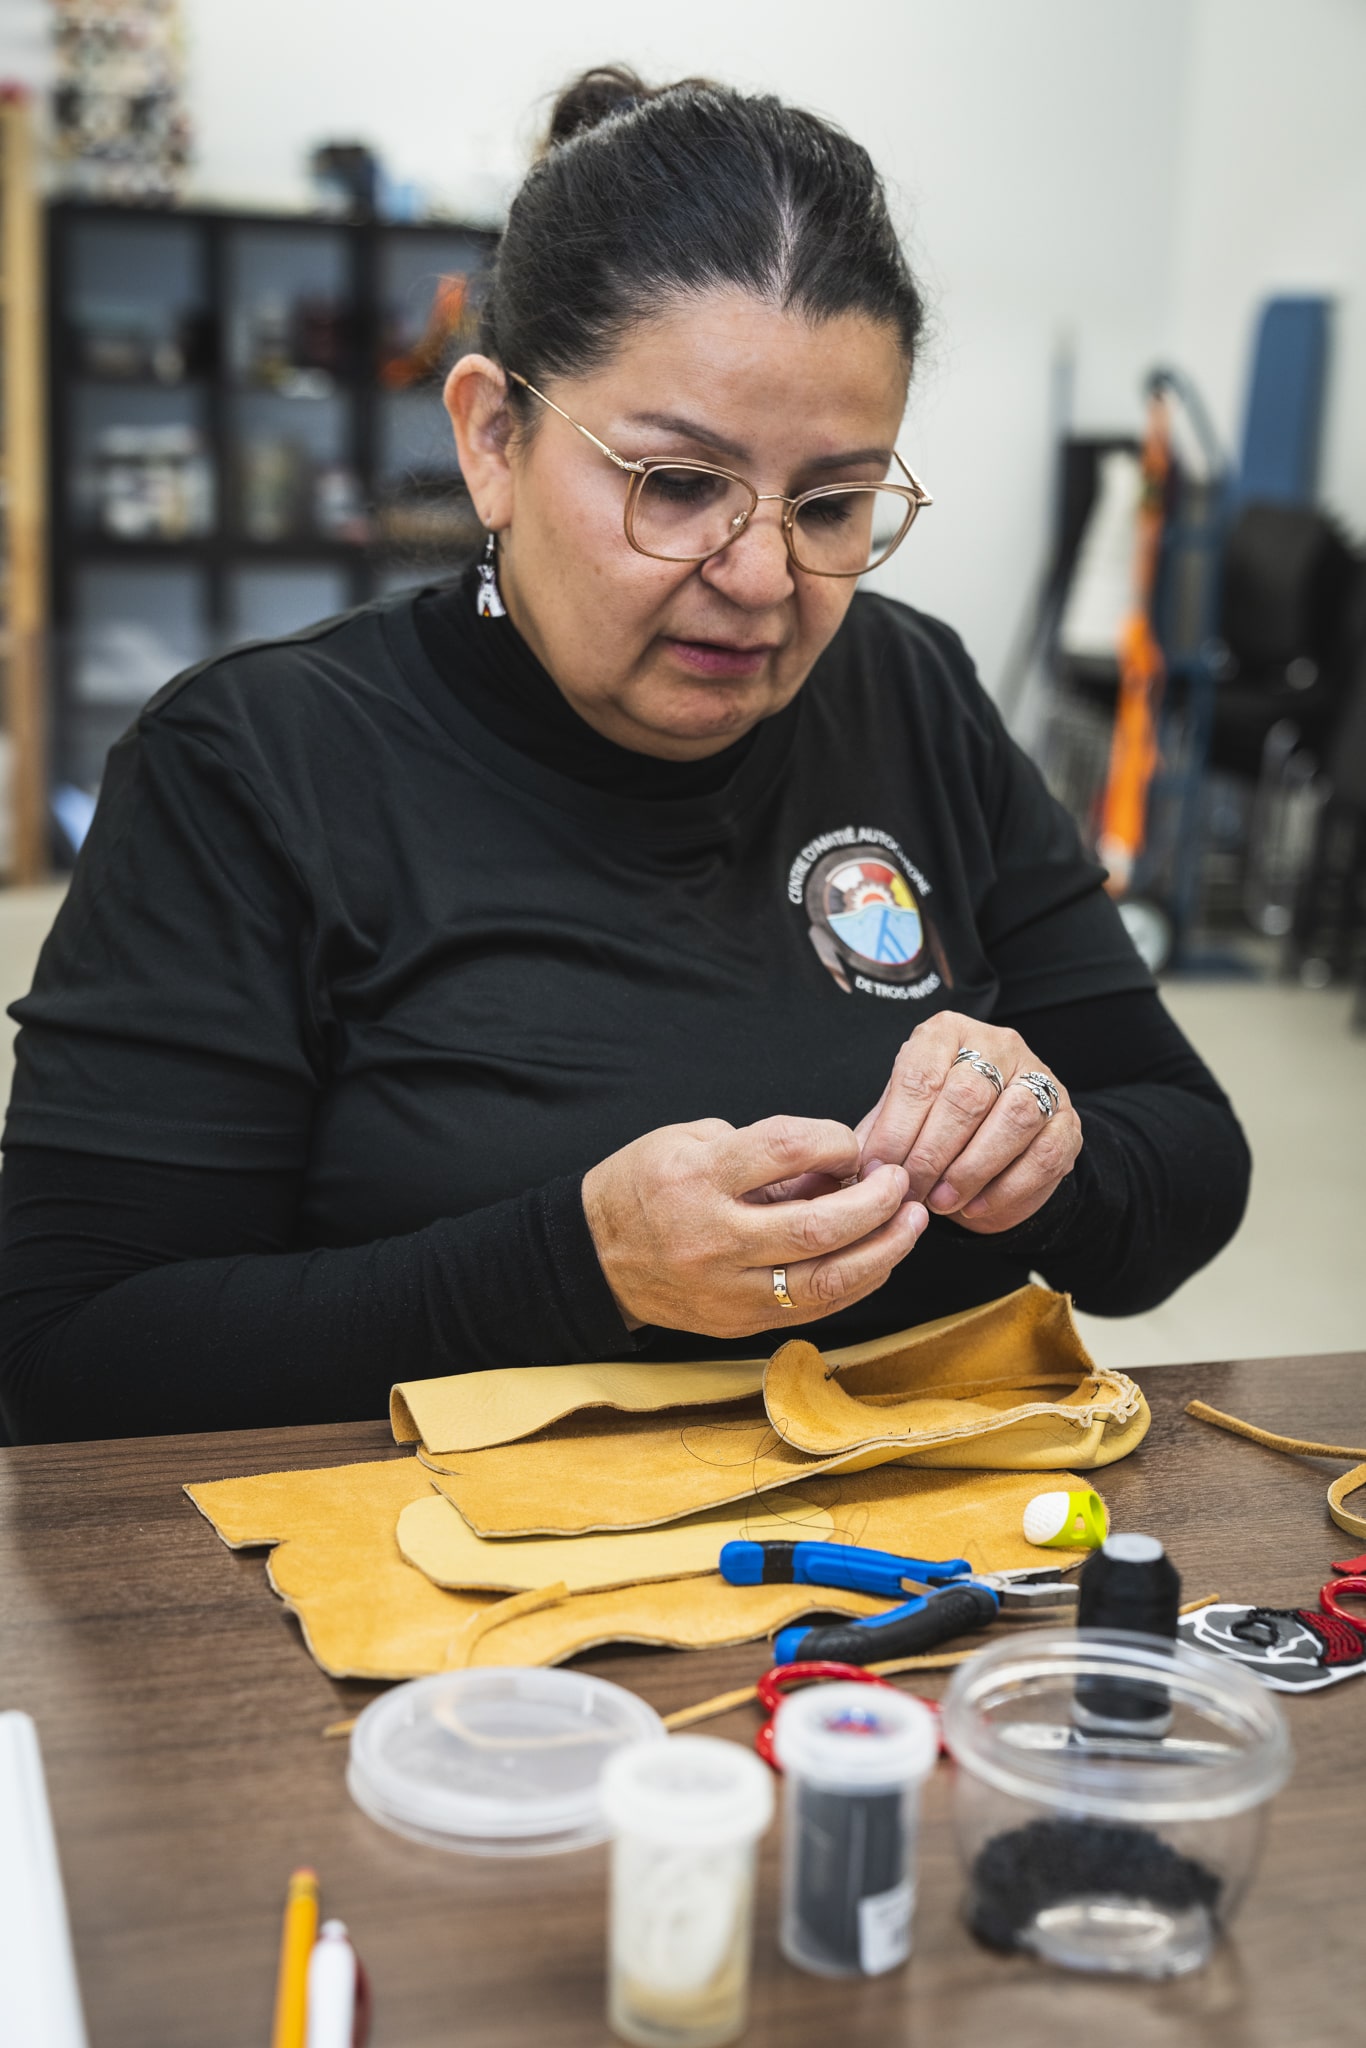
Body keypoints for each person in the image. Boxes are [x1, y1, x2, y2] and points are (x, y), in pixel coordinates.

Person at [0, 68, 1249, 1444]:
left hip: (915, 1573)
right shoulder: (252, 766)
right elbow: (70, 1357)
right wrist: (578, 1266)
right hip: (440, 1626)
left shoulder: (907, 688)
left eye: (831, 503)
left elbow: (1186, 1166)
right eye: (676, 484)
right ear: (492, 440)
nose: (763, 577)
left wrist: (1047, 1164)